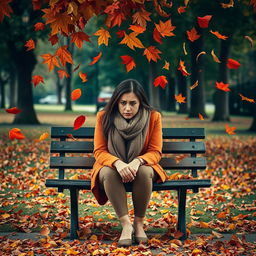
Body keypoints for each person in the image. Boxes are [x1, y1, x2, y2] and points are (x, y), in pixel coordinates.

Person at [91, 79, 168, 246]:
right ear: (116, 102)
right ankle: (126, 225)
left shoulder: (153, 117)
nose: (127, 108)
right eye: (123, 103)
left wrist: (138, 161)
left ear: (141, 102)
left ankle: (139, 224)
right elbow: (99, 151)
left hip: (142, 167)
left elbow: (155, 151)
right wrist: (118, 163)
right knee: (108, 172)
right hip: (111, 167)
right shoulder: (104, 117)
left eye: (133, 103)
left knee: (144, 171)